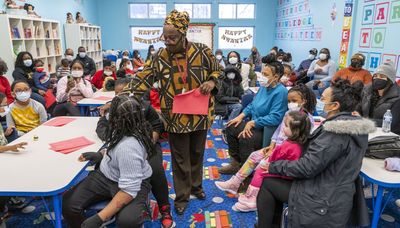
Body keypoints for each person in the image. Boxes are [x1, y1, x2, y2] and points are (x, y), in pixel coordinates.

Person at [122, 10, 221, 215]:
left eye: (172, 37)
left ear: (183, 34)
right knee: (179, 157)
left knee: (197, 153)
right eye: (164, 37)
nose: (167, 41)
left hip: (200, 113)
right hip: (175, 116)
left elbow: (217, 70)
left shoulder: (202, 51)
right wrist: (122, 98)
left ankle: (196, 187)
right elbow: (143, 78)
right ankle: (182, 196)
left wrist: (211, 81)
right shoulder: (159, 56)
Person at [257, 79, 375, 227]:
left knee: (268, 184)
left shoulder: (336, 133)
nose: (320, 101)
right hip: (332, 190)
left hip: (322, 197)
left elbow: (307, 167)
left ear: (335, 105)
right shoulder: (351, 125)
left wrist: (274, 166)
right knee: (272, 183)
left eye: (323, 99)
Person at [62, 96, 153, 228]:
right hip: (106, 175)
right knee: (69, 204)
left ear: (119, 119)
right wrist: (101, 155)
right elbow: (115, 149)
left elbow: (129, 190)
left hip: (131, 184)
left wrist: (99, 218)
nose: (108, 116)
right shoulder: (125, 128)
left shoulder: (129, 147)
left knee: (128, 221)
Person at [96, 81, 174, 228]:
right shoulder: (112, 110)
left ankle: (165, 208)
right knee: (107, 166)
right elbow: (103, 131)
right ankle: (117, 205)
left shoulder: (143, 106)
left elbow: (157, 125)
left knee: (155, 168)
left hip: (148, 145)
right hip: (122, 149)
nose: (120, 96)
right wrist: (104, 119)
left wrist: (148, 143)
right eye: (117, 94)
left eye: (124, 93)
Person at [215, 84, 316, 194]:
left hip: (286, 153)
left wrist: (275, 150)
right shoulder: (289, 113)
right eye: (288, 101)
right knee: (254, 156)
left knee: (262, 166)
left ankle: (252, 196)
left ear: (304, 101)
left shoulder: (306, 119)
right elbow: (278, 132)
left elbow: (297, 142)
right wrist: (272, 146)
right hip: (276, 148)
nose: (290, 103)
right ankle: (234, 183)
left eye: (294, 100)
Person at [219, 61, 288, 174]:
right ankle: (235, 163)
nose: (261, 77)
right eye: (262, 73)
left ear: (276, 77)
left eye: (266, 74)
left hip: (266, 129)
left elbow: (275, 117)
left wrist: (253, 123)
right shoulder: (263, 87)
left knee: (246, 137)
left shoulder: (281, 92)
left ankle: (246, 174)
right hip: (254, 124)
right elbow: (252, 105)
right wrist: (241, 116)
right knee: (231, 126)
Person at [234, 111, 311, 212]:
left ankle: (252, 200)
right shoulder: (296, 142)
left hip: (281, 173)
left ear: (296, 131)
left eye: (286, 126)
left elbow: (275, 159)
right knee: (257, 161)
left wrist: (266, 162)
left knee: (260, 171)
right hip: (283, 170)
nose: (283, 128)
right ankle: (240, 186)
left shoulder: (289, 145)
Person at [360, 61, 400, 134]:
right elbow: (359, 108)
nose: (377, 79)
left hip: (387, 136)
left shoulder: (397, 97)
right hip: (366, 130)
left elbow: (391, 123)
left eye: (382, 76)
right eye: (375, 76)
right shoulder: (367, 90)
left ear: (390, 80)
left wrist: (364, 121)